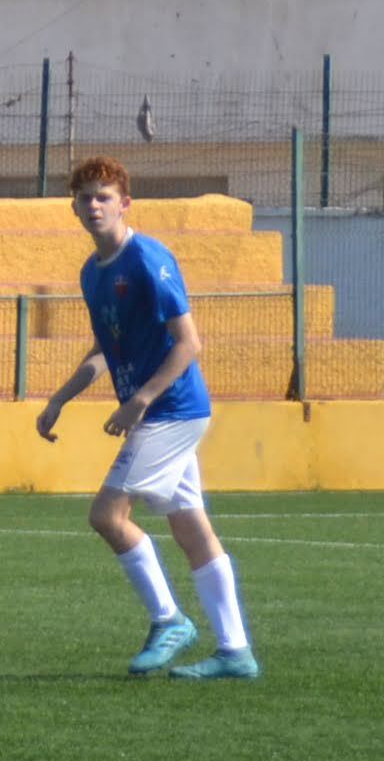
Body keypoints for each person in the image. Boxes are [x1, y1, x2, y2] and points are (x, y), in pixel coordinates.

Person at [35, 157, 254, 681]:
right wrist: (59, 399)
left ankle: (169, 619)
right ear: (73, 206)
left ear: (125, 203)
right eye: (85, 197)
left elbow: (188, 343)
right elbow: (101, 351)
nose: (94, 205)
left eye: (103, 196)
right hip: (162, 411)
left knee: (107, 517)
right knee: (189, 526)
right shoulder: (92, 272)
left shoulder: (149, 260)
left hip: (172, 409)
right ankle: (235, 652)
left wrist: (140, 400)